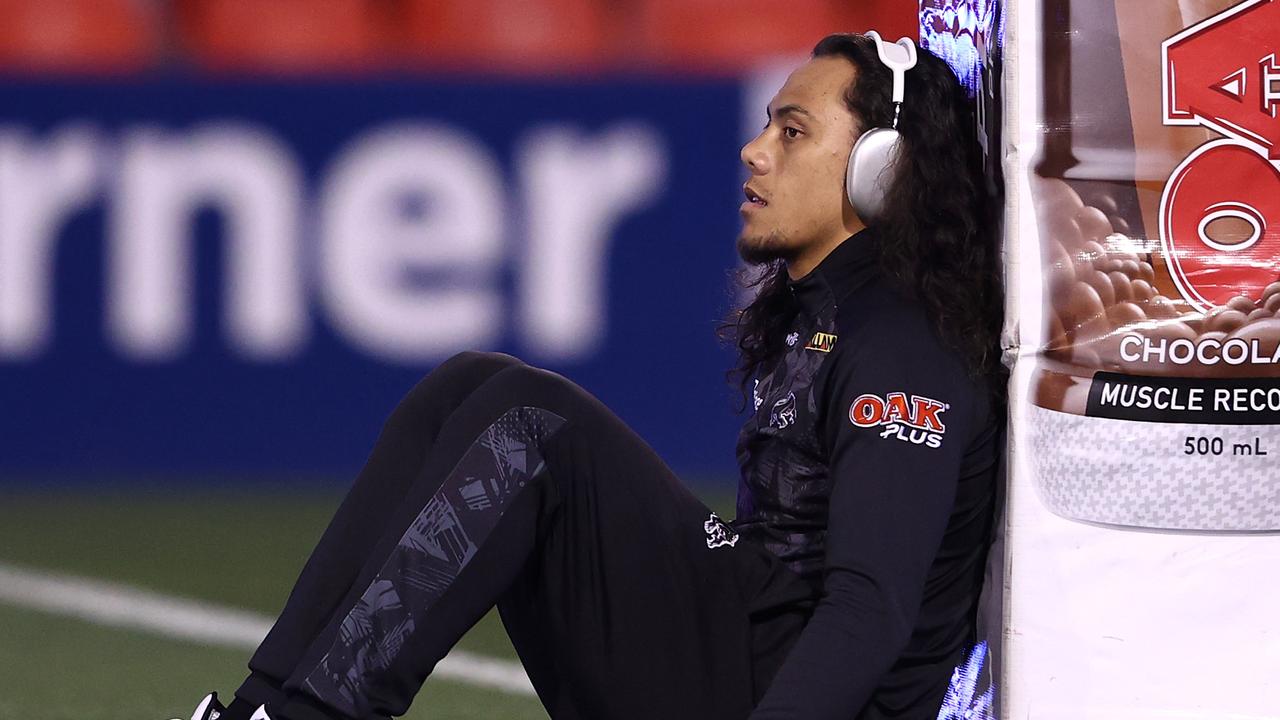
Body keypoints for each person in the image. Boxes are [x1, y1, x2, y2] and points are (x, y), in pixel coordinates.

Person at [172, 30, 1004, 720]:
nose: (754, 152)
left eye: (791, 132)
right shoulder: (828, 311)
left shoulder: (904, 350)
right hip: (742, 652)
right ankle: (265, 710)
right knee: (465, 386)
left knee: (532, 426)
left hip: (773, 693)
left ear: (881, 169)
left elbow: (868, 609)